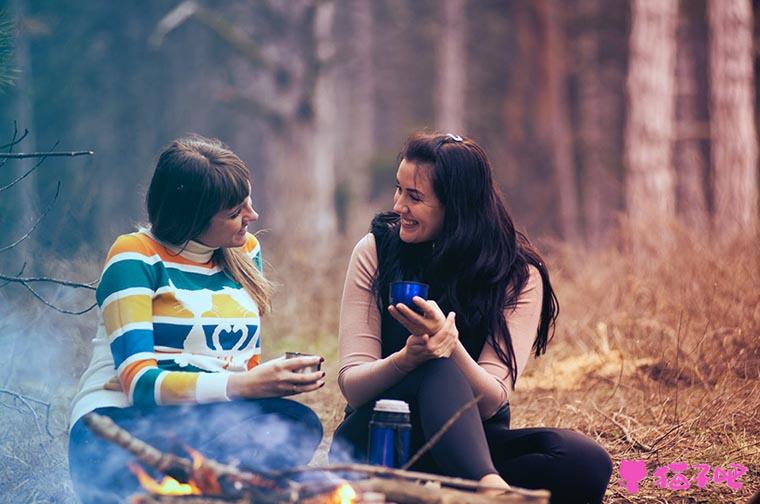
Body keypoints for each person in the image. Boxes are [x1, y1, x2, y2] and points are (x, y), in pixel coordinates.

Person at [329, 132, 612, 503]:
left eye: (414, 197)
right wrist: (408, 359)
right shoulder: (377, 251)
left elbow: (492, 400)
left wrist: (452, 348)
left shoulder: (517, 274)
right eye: (398, 189)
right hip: (379, 441)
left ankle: (460, 489)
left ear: (457, 206)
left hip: (469, 445)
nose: (398, 206)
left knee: (584, 460)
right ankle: (488, 491)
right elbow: (353, 384)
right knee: (432, 365)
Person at [68, 136, 324, 503]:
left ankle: (205, 490)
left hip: (204, 424)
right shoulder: (135, 256)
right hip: (120, 428)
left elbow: (242, 364)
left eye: (248, 203)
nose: (252, 217)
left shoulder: (244, 251)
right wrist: (245, 385)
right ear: (192, 218)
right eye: (236, 212)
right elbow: (140, 386)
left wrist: (266, 382)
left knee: (297, 424)